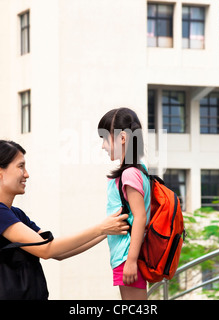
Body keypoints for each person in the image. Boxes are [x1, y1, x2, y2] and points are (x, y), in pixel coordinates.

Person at [0, 139, 129, 300]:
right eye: (21, 166)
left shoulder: (15, 214)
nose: (26, 174)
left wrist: (110, 230)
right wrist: (102, 228)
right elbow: (46, 249)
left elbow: (59, 252)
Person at [97, 107, 151, 300]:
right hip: (125, 256)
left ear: (122, 138)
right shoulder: (138, 169)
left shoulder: (129, 173)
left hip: (127, 256)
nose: (103, 146)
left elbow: (140, 217)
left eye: (105, 138)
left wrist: (131, 261)